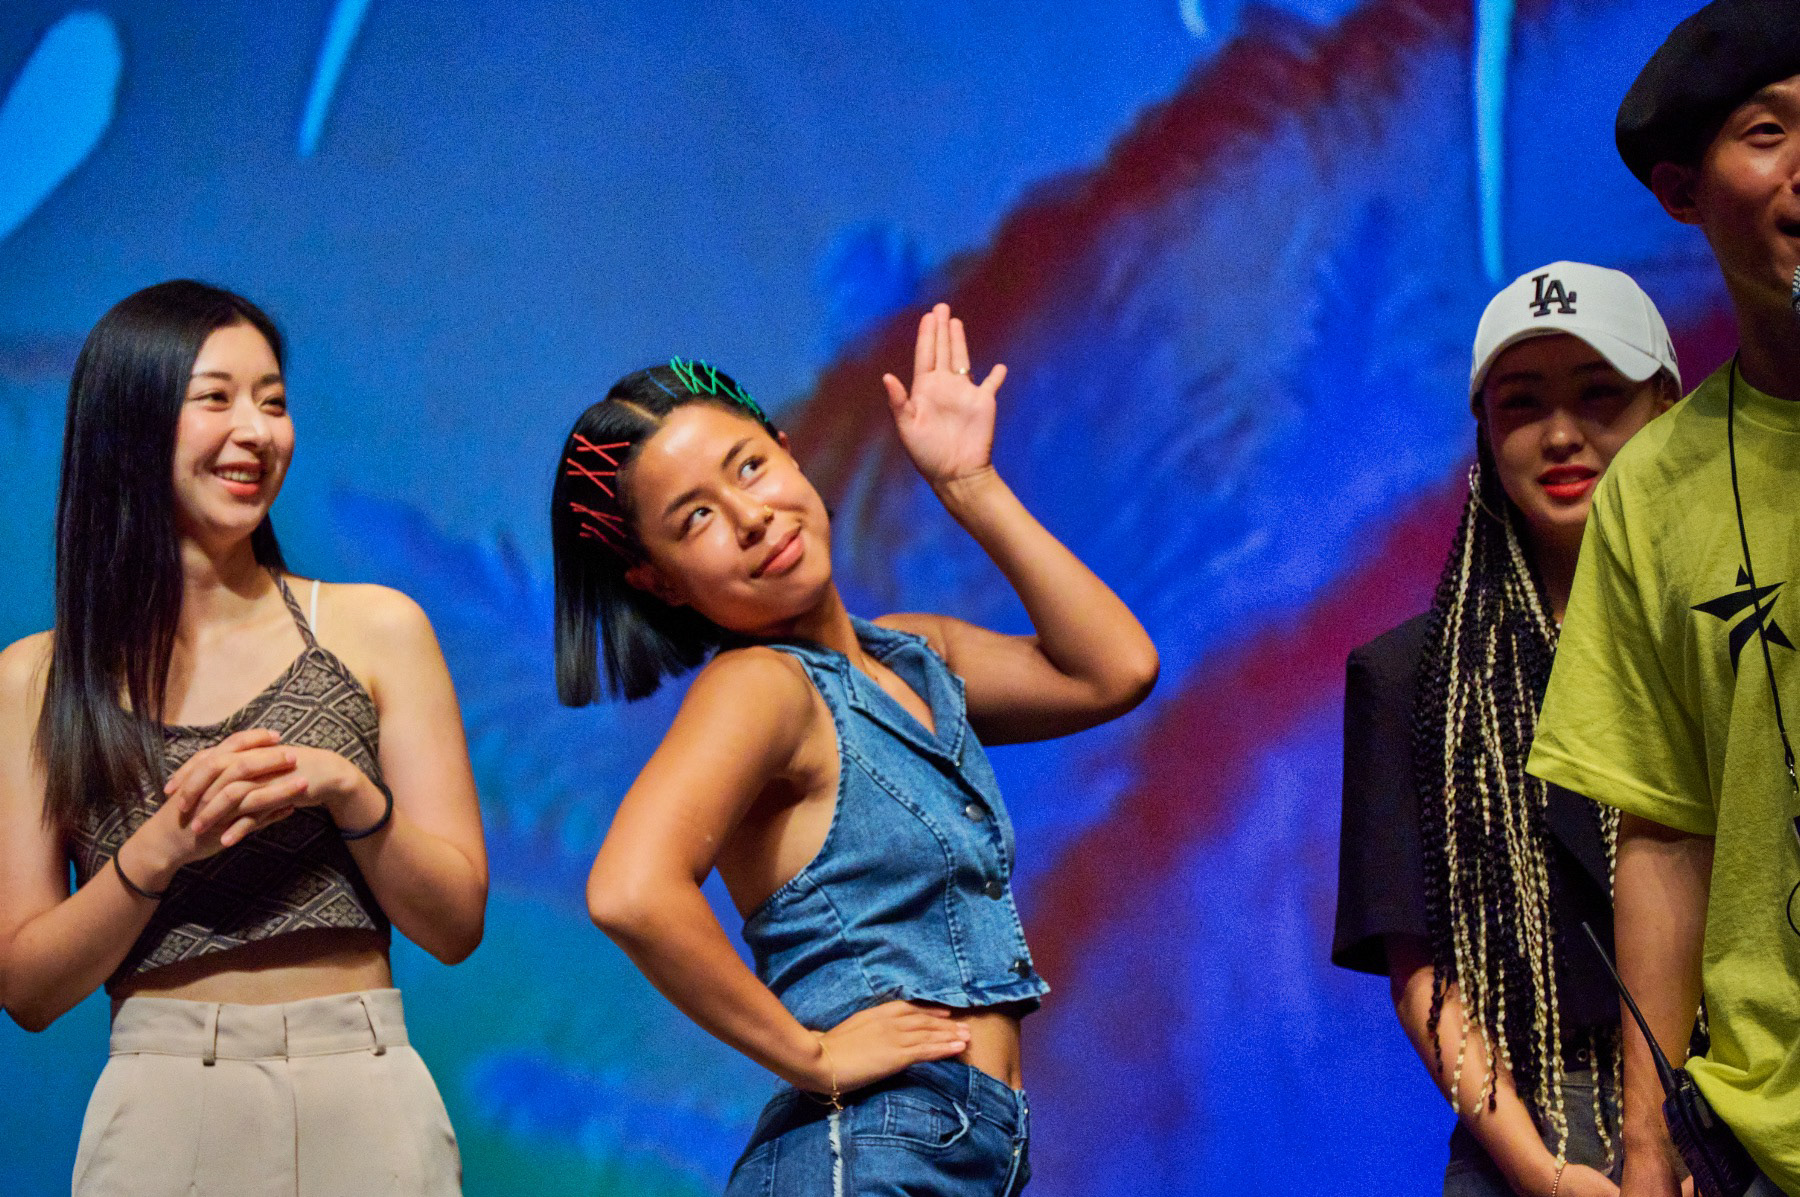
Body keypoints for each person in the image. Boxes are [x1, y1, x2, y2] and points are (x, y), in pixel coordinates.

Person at [550, 304, 1157, 1195]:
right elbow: (630, 890)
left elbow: (1115, 670)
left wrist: (970, 484)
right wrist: (812, 1055)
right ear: (659, 581)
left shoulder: (914, 656)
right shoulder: (761, 687)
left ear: (788, 452)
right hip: (872, 1151)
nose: (751, 515)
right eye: (696, 518)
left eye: (749, 465)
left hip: (959, 1148)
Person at [0, 280, 488, 1196]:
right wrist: (161, 848)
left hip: (363, 1072)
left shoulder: (377, 628)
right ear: (130, 421)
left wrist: (352, 795)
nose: (257, 432)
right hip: (164, 1094)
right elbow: (26, 987)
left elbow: (458, 922)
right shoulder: (38, 677)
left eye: (273, 401)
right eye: (216, 398)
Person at [1527, 2, 1800, 1193]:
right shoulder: (1654, 488)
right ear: (1686, 193)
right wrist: (1645, 1149)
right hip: (1768, 1134)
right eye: (1768, 133)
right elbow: (1665, 835)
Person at [1335, 262, 1681, 1196]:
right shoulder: (1411, 679)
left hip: (1744, 1103)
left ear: (1666, 404)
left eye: (1598, 394)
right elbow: (1425, 976)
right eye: (1522, 403)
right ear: (1485, 432)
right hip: (1530, 1134)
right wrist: (1545, 1174)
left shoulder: (1739, 641)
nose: (1561, 434)